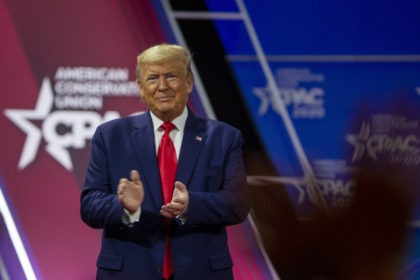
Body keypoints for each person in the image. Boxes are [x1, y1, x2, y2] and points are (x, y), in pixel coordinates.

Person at [80, 43, 250, 280]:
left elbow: (238, 204)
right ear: (140, 88)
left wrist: (192, 204)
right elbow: (89, 205)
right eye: (152, 79)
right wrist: (127, 208)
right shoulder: (111, 136)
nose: (162, 86)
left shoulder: (224, 137)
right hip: (129, 272)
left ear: (188, 82)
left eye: (171, 76)